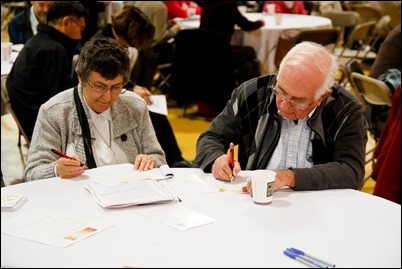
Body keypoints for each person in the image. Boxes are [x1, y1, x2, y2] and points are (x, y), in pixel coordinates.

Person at [194, 41, 368, 192]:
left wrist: (290, 177)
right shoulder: (253, 93)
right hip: (256, 200)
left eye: (298, 100)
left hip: (318, 204)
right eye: (280, 91)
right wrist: (216, 159)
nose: (283, 105)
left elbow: (351, 171)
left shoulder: (346, 110)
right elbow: (211, 137)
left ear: (321, 97)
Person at [24, 37, 166, 181]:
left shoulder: (135, 106)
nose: (108, 97)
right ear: (80, 78)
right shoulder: (54, 112)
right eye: (99, 86)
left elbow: (158, 157)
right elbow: (33, 172)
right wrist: (56, 169)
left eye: (116, 87)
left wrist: (151, 161)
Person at [95, 6, 195, 168]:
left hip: (115, 89)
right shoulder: (102, 45)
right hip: (105, 95)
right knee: (149, 110)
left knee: (154, 110)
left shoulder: (113, 40)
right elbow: (108, 78)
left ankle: (175, 157)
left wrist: (134, 88)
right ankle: (175, 158)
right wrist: (133, 89)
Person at [7, 1, 88, 142]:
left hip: (27, 117)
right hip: (39, 128)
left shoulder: (40, 40)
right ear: (67, 22)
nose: (81, 36)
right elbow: (58, 102)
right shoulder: (54, 50)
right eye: (81, 28)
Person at [198, 1, 264, 85]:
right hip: (221, 52)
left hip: (203, 51)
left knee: (247, 65)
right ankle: (256, 88)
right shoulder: (228, 5)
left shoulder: (207, 4)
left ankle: (245, 88)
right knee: (250, 52)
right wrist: (260, 23)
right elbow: (246, 25)